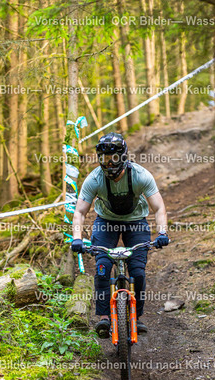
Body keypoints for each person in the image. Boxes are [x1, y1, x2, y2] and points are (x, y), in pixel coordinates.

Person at [71, 132, 169, 338]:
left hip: (136, 222)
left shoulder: (140, 175)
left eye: (113, 157)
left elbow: (159, 207)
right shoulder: (94, 179)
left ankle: (137, 317)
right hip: (106, 222)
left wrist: (162, 233)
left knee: (138, 272)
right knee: (102, 268)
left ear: (123, 157)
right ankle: (104, 317)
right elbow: (80, 212)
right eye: (104, 158)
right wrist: (77, 238)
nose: (108, 163)